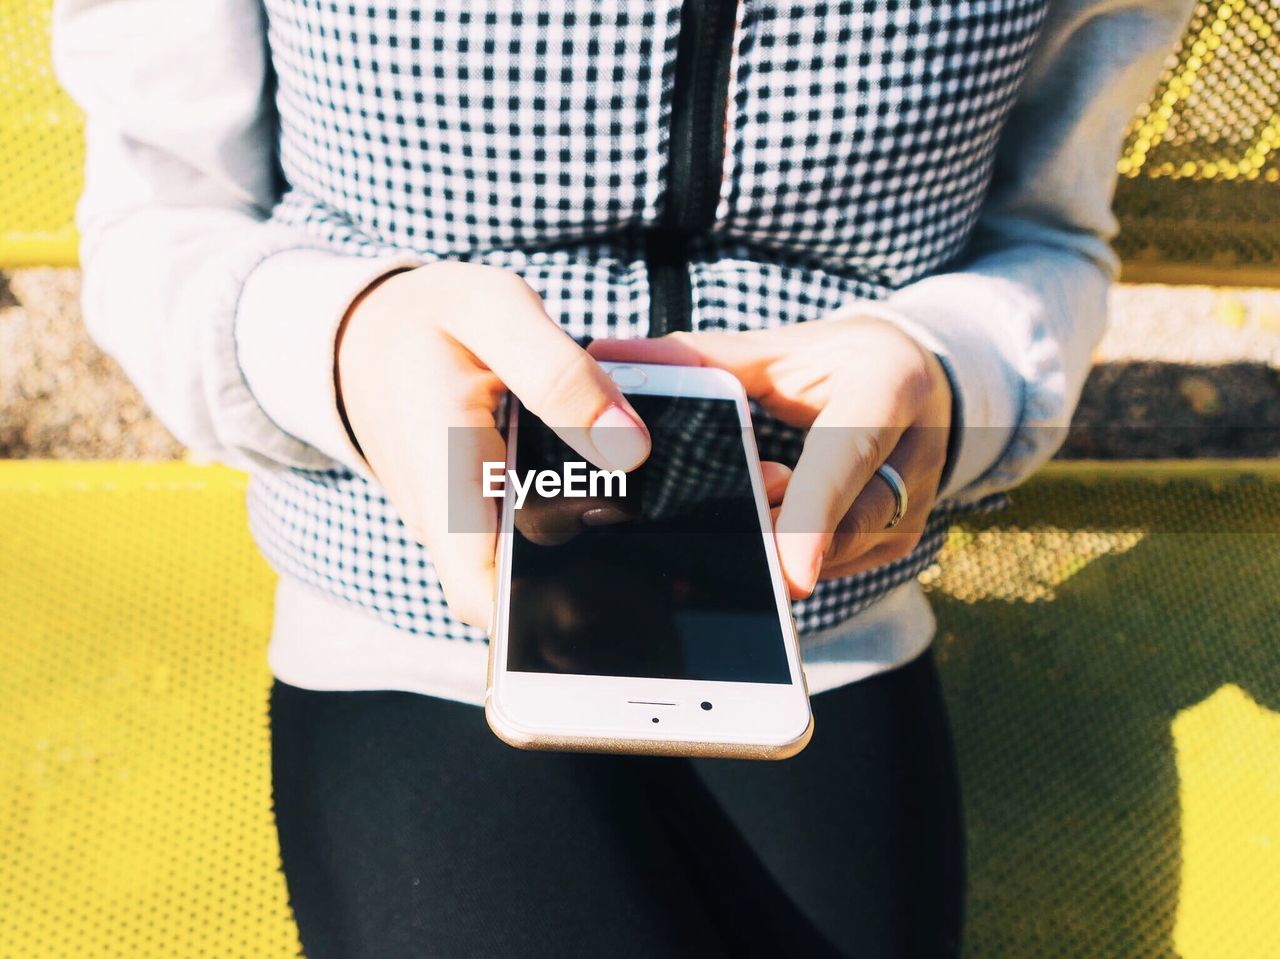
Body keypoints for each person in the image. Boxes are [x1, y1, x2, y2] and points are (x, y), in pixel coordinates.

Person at [53, 0, 1191, 954]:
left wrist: (952, 378)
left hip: (818, 630)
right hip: (407, 621)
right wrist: (347, 346)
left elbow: (1045, 235)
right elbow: (163, 216)